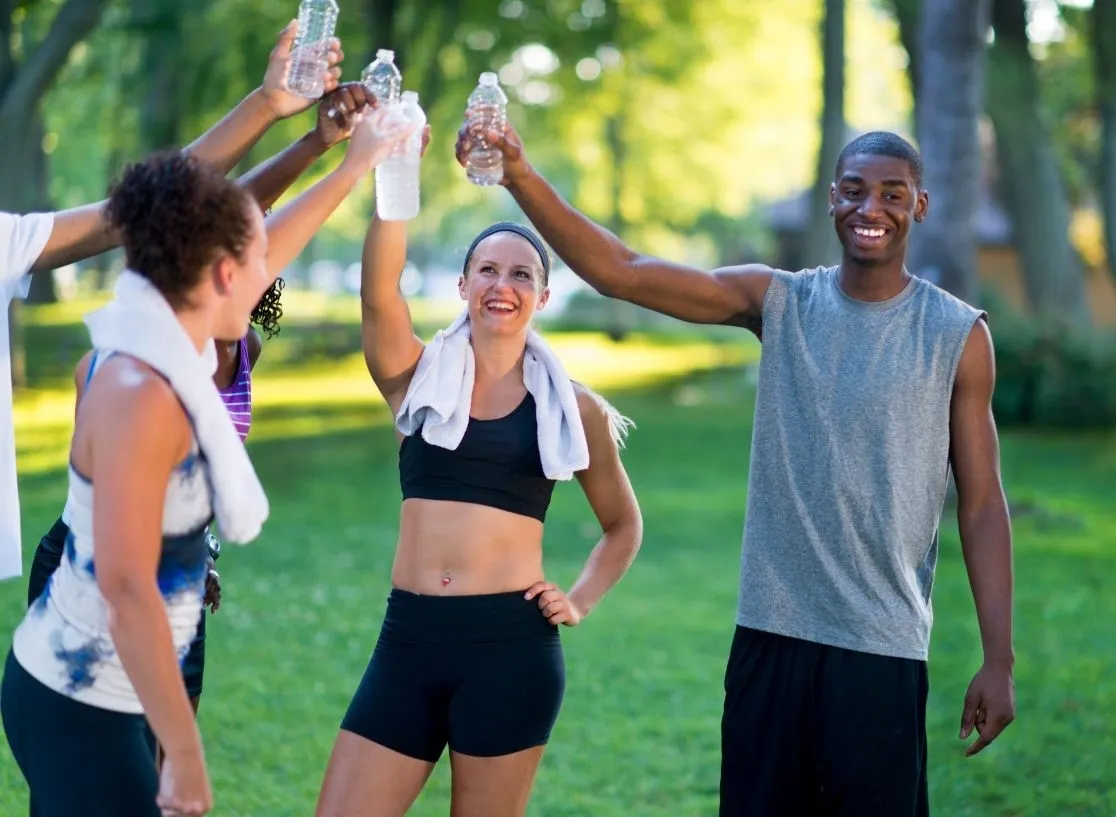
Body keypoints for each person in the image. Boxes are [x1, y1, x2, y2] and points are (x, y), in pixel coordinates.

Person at [455, 123, 1017, 815]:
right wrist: (516, 173)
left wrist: (1000, 659)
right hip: (770, 638)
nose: (871, 208)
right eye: (853, 191)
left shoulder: (956, 334)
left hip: (881, 647)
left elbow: (984, 505)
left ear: (919, 206)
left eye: (892, 194)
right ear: (832, 202)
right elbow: (622, 272)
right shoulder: (779, 300)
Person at [1, 114, 410, 817]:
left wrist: (348, 167)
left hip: (102, 688)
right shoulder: (140, 394)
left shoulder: (164, 346)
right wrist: (185, 753)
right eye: (258, 266)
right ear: (225, 274)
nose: (267, 278)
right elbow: (128, 588)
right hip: (80, 697)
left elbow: (265, 242)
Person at [313, 135, 644, 817]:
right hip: (407, 641)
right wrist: (395, 171)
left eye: (521, 274)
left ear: (543, 295)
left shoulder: (571, 407)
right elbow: (380, 294)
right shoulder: (414, 379)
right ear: (463, 287)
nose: (503, 285)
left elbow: (622, 526)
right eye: (487, 271)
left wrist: (578, 598)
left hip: (510, 651)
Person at [0, 17, 356, 585]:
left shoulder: (5, 241)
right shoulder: (117, 371)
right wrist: (347, 161)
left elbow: (163, 204)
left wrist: (272, 108)